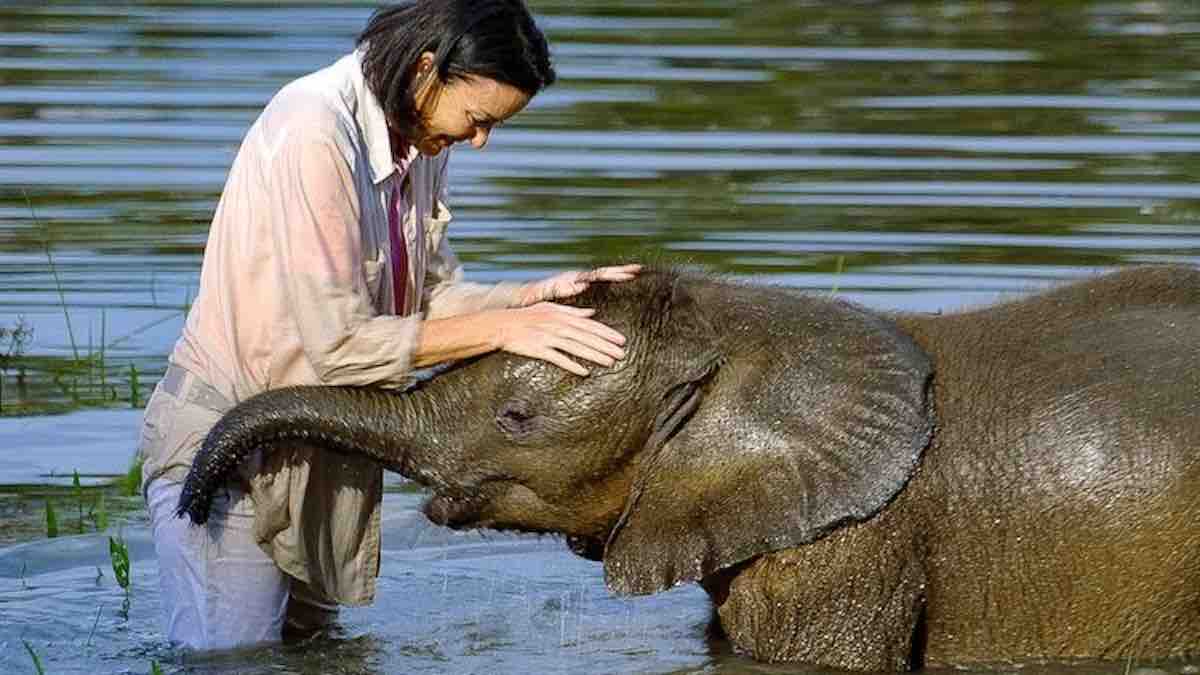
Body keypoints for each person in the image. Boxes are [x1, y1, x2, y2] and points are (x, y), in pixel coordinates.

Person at [138, 0, 639, 651]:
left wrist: (533, 299)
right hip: (231, 452)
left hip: (326, 452)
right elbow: (339, 347)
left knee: (309, 659)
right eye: (479, 120)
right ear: (427, 70)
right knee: (238, 664)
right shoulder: (314, 131)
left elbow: (431, 295)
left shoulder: (420, 140)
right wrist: (505, 331)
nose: (480, 140)